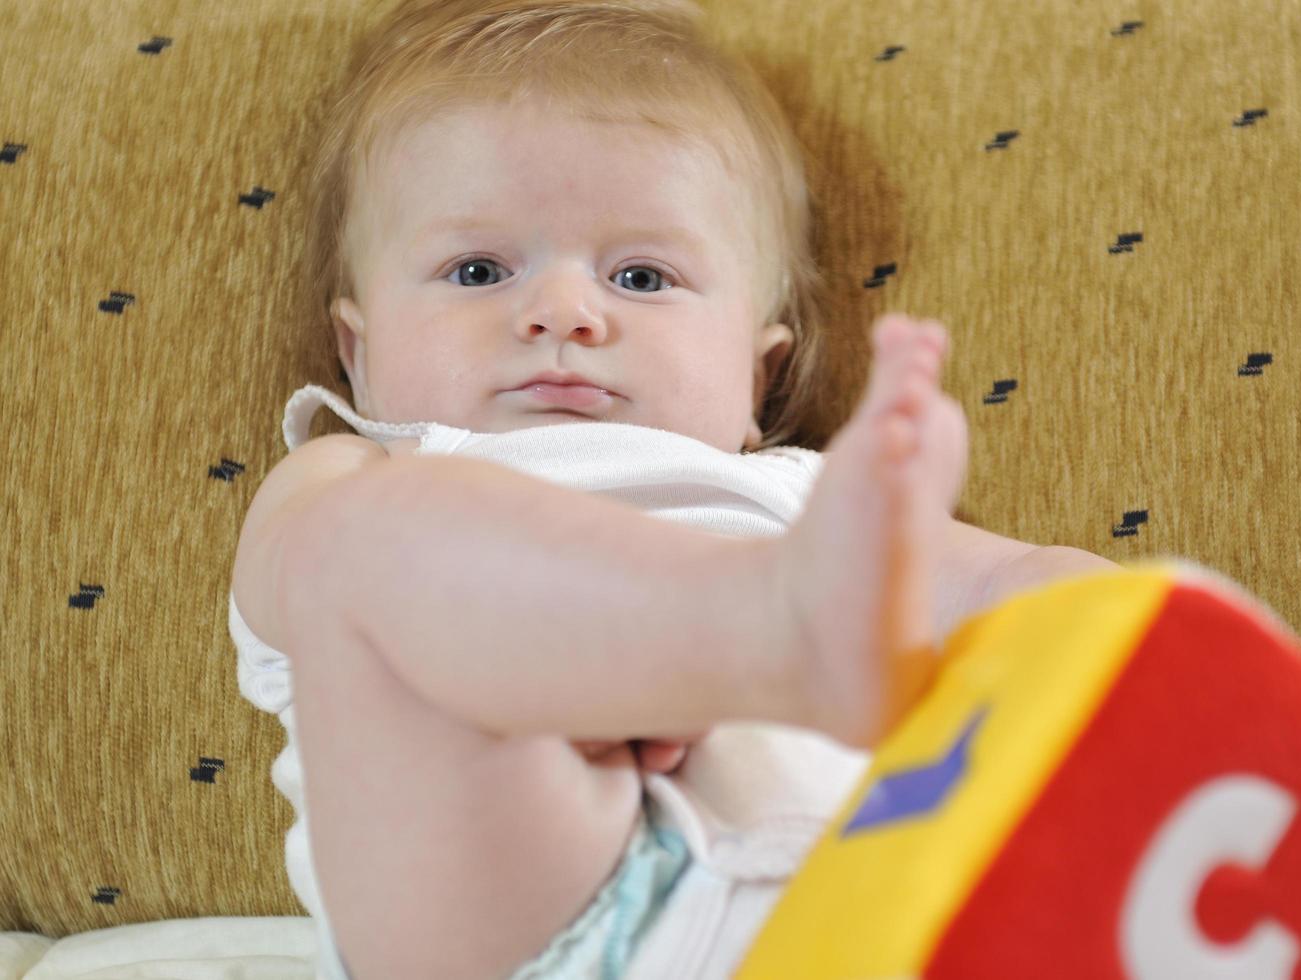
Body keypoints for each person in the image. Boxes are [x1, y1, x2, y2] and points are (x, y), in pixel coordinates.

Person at [229, 1, 1119, 977]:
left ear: (758, 375)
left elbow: (1017, 585)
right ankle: (755, 630)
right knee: (359, 547)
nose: (562, 311)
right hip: (523, 907)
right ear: (357, 354)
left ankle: (775, 634)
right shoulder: (364, 475)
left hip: (848, 914)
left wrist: (1133, 624)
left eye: (643, 277)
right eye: (477, 268)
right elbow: (306, 564)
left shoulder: (807, 499)